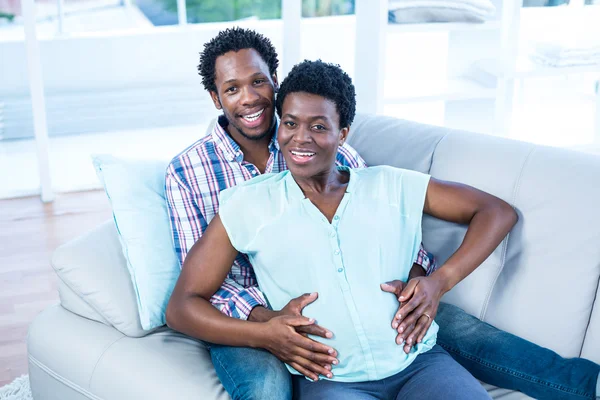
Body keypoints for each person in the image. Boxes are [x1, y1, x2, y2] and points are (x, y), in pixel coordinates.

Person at [165, 28, 600, 400]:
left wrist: (430, 281)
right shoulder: (224, 190)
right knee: (262, 385)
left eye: (258, 82)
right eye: (232, 89)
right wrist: (267, 327)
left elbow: (386, 221)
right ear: (216, 97)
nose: (302, 137)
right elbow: (192, 297)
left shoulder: (369, 174)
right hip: (292, 345)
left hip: (408, 349)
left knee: (468, 334)